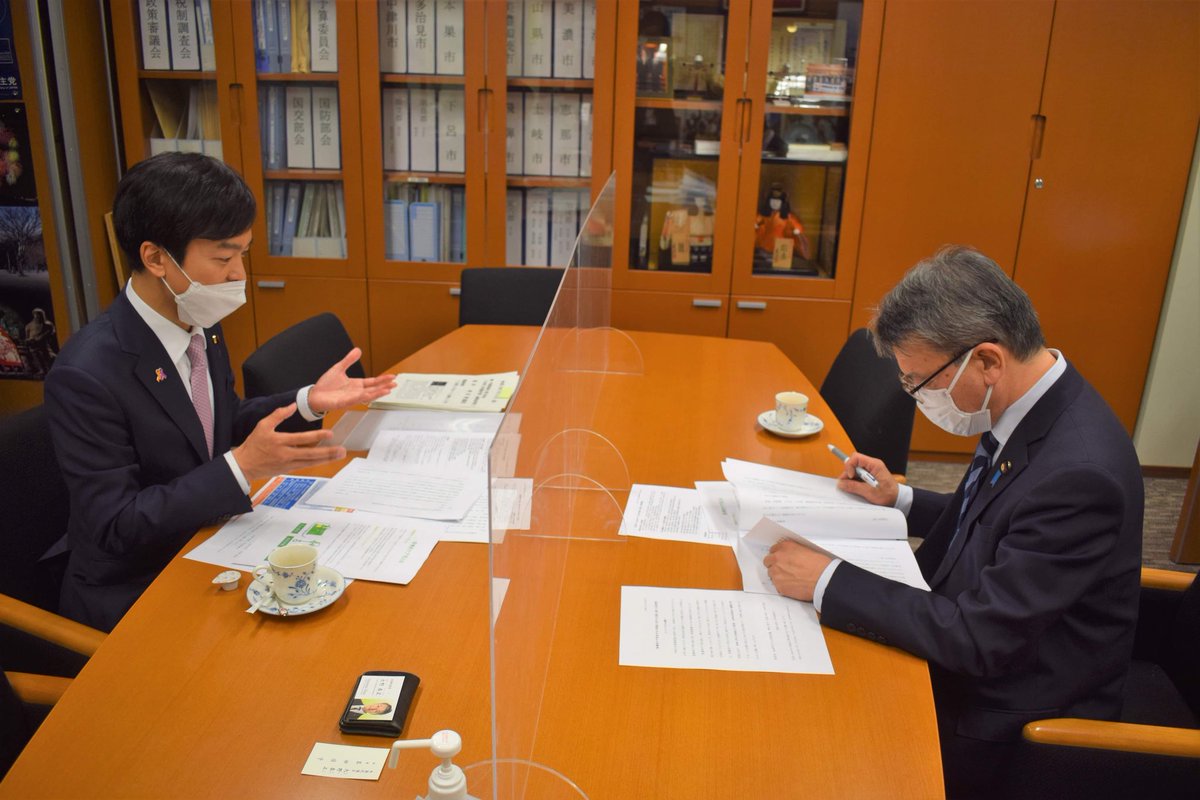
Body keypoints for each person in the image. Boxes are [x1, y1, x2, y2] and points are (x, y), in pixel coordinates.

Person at [763, 246, 1143, 798]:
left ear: (987, 360)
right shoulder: (1031, 403)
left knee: (814, 747)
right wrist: (901, 498)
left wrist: (826, 579)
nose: (917, 398)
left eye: (920, 382)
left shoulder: (1080, 475)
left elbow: (981, 640)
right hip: (979, 638)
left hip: (1011, 717)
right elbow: (999, 515)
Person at [45, 152, 396, 632]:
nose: (238, 276)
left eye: (242, 256)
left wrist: (308, 401)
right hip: (136, 587)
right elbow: (116, 525)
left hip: (209, 543)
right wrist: (241, 467)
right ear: (156, 258)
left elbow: (220, 419)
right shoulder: (86, 374)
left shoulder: (198, 320)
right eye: (223, 258)